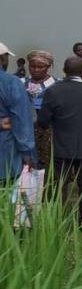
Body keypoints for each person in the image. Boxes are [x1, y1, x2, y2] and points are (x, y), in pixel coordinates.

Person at [36, 56, 82, 222]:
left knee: (59, 184)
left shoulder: (53, 90)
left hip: (62, 145)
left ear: (64, 71)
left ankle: (57, 219)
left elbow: (43, 121)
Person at [0, 42, 35, 184]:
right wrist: (28, 154)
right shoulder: (11, 83)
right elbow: (22, 121)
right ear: (2, 59)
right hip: (6, 156)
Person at [21, 50, 57, 169]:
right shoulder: (21, 83)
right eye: (32, 66)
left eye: (40, 67)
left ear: (48, 67)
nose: (35, 70)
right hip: (25, 131)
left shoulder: (55, 85)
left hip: (49, 132)